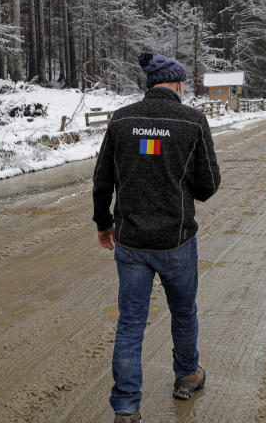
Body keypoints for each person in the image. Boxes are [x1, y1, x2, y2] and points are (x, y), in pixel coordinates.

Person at [92, 52, 222, 423]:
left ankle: (126, 408)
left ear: (150, 85)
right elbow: (208, 185)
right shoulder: (194, 121)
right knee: (183, 312)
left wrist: (104, 224)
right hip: (176, 240)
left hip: (131, 242)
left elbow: (102, 180)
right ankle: (186, 377)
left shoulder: (122, 119)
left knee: (131, 322)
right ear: (178, 84)